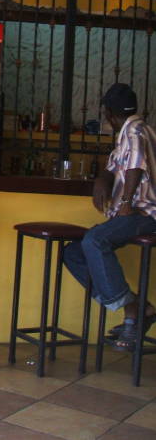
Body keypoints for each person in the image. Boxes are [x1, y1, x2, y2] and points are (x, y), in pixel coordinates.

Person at [64, 83, 156, 351]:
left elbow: (135, 167)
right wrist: (101, 181)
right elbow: (115, 166)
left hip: (145, 213)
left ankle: (132, 312)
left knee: (94, 241)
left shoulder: (135, 131)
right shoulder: (131, 131)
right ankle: (137, 307)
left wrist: (125, 203)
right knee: (74, 253)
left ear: (108, 114)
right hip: (134, 212)